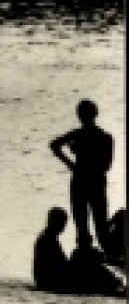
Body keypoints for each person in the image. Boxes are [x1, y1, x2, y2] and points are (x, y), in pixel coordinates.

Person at [50, 99, 115, 252]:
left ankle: (86, 253)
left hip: (80, 180)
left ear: (79, 116)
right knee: (100, 223)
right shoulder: (105, 138)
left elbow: (54, 145)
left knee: (82, 224)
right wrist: (75, 159)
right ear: (95, 114)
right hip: (96, 181)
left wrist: (72, 163)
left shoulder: (78, 135)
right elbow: (106, 166)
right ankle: (107, 253)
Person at [33, 208, 73, 293]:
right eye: (62, 223)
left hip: (45, 280)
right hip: (50, 281)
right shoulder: (48, 240)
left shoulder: (47, 237)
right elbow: (59, 264)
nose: (63, 227)